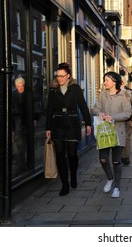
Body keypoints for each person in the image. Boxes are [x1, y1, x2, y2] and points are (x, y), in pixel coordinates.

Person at [45, 63, 92, 196]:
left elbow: (83, 106)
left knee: (72, 154)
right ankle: (64, 184)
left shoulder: (75, 88)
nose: (59, 78)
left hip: (72, 124)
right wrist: (48, 127)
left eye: (62, 76)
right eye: (57, 76)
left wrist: (88, 123)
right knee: (60, 156)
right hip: (58, 124)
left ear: (68, 76)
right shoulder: (53, 89)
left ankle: (74, 176)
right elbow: (49, 109)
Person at [92, 71, 132, 198]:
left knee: (116, 161)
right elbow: (94, 108)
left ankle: (117, 187)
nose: (105, 82)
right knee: (103, 159)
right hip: (104, 132)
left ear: (114, 82)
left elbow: (127, 113)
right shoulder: (103, 95)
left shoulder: (124, 96)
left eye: (107, 80)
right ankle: (110, 178)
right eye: (104, 80)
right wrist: (99, 113)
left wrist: (113, 117)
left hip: (118, 132)